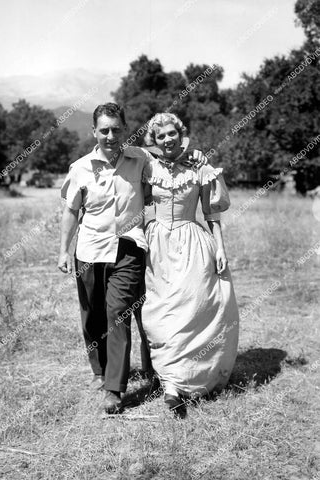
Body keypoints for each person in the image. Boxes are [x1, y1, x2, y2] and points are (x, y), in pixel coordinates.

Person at [58, 103, 207, 414]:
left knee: (118, 313)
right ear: (94, 132)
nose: (111, 136)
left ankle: (115, 389)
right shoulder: (80, 168)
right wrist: (64, 250)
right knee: (93, 316)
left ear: (125, 130)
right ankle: (100, 370)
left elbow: (171, 159)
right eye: (104, 130)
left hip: (128, 247)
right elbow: (71, 211)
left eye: (116, 129)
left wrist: (194, 155)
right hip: (89, 249)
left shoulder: (140, 159)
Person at [141, 112, 239, 416]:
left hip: (191, 242)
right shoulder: (148, 166)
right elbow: (139, 200)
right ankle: (170, 381)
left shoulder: (200, 166)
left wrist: (220, 248)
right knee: (162, 314)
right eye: (161, 136)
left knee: (192, 309)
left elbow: (212, 214)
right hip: (157, 246)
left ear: (180, 134)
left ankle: (185, 383)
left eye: (172, 134)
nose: (167, 139)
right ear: (153, 140)